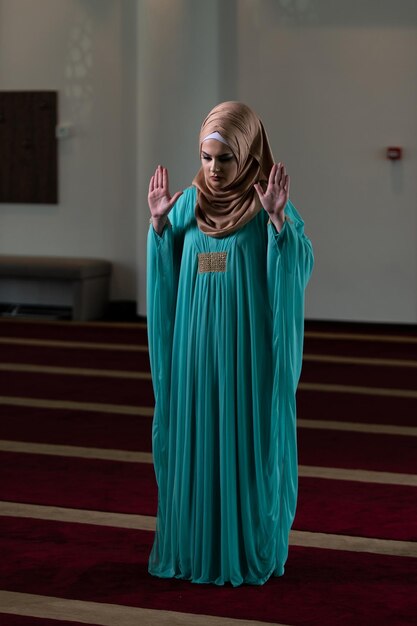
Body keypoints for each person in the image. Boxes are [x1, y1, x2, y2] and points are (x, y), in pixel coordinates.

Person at [147, 101, 313, 587]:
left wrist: (281, 225)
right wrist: (158, 228)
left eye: (225, 160)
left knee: (243, 444)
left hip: (245, 353)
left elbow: (295, 267)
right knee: (196, 442)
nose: (214, 170)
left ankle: (242, 548)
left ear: (247, 157)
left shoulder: (265, 207)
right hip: (194, 353)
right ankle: (195, 549)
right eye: (206, 158)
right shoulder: (185, 205)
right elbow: (166, 272)